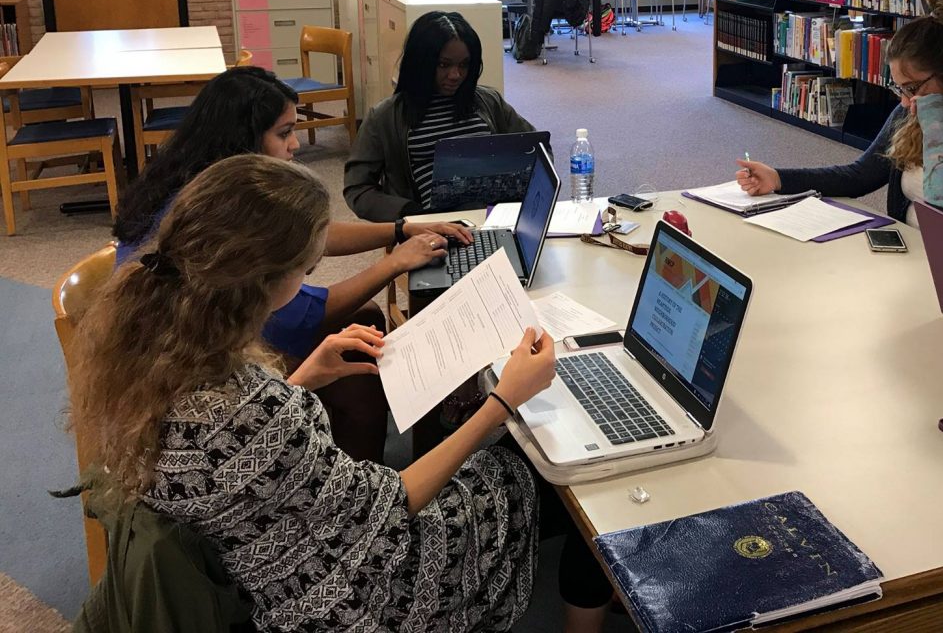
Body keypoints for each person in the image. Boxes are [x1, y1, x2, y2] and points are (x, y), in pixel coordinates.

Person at [71, 154, 611, 632]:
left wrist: (304, 375)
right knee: (532, 468)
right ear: (270, 279)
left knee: (505, 448)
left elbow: (231, 453)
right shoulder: (253, 410)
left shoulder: (154, 345)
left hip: (265, 559)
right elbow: (392, 507)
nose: (309, 277)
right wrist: (502, 402)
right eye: (307, 268)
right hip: (338, 600)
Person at [113, 66, 472, 460]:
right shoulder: (226, 216)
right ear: (244, 140)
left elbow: (310, 233)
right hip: (187, 371)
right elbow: (303, 315)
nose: (295, 144)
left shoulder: (198, 180)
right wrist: (393, 265)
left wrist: (400, 229)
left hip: (162, 342)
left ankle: (339, 451)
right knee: (359, 364)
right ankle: (352, 483)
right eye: (284, 133)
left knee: (366, 320)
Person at [735, 0, 943, 286]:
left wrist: (936, 135)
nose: (904, 101)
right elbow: (858, 175)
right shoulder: (913, 112)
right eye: (900, 88)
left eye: (912, 88)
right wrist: (778, 179)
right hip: (919, 263)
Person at [345, 11, 535, 222]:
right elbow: (357, 188)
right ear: (421, 63)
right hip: (428, 228)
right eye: (443, 65)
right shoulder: (385, 117)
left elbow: (538, 150)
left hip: (493, 219)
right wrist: (408, 213)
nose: (455, 75)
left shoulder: (488, 102)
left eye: (464, 65)